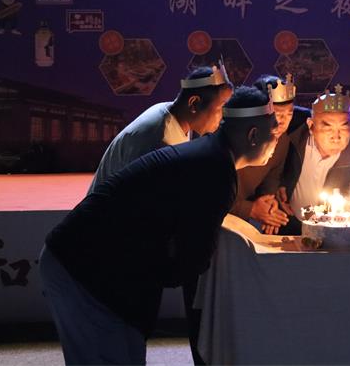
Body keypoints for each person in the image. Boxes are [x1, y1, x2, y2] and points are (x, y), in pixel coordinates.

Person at [40, 86, 278, 365]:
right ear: (253, 135)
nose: (276, 142)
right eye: (274, 133)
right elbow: (192, 258)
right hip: (84, 272)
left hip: (101, 271)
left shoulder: (210, 157)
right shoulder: (214, 171)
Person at [87, 63, 233, 194]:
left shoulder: (174, 114)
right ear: (194, 103)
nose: (222, 117)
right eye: (220, 108)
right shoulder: (159, 140)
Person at [279, 84, 350, 234]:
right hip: (287, 225)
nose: (336, 137)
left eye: (343, 127)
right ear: (311, 125)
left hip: (333, 235)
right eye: (327, 127)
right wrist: (275, 188)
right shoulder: (291, 130)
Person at [233, 74, 310, 234]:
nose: (283, 121)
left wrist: (268, 204)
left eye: (289, 114)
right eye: (277, 114)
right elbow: (206, 193)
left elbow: (273, 174)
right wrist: (250, 209)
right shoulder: (234, 138)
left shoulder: (282, 140)